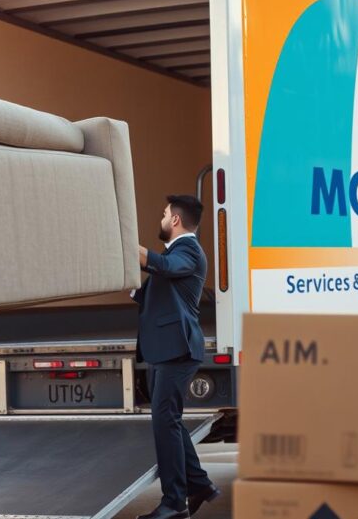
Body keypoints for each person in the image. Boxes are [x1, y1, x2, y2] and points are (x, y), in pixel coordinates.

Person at [132, 195, 219, 519]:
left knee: (164, 421)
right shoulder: (175, 254)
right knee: (170, 420)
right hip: (166, 349)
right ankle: (200, 486)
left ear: (176, 221)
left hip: (177, 351)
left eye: (165, 213)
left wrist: (125, 244)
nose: (162, 218)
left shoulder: (189, 251)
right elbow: (151, 295)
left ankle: (174, 502)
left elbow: (166, 267)